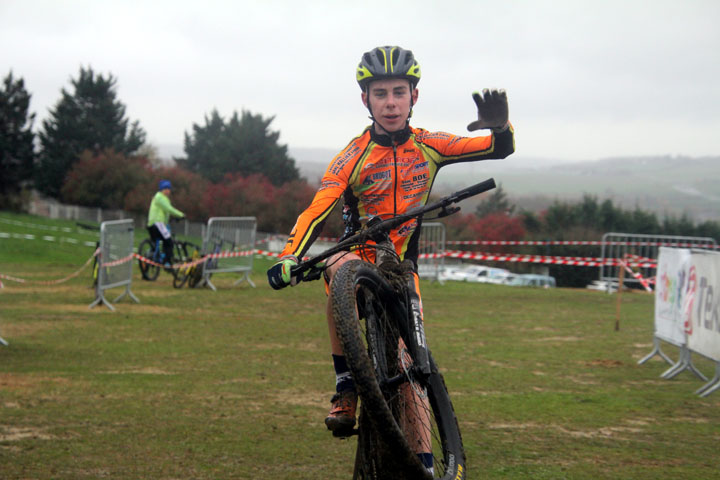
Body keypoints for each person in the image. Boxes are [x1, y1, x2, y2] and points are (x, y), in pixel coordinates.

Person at [267, 45, 514, 472]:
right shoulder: (353, 155)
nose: (391, 102)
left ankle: (425, 465)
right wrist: (290, 255)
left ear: (414, 96)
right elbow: (317, 208)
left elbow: (497, 148)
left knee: (412, 369)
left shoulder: (430, 145)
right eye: (380, 94)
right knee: (339, 270)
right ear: (366, 100)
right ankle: (346, 386)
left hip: (401, 266)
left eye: (400, 91)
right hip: (355, 254)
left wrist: (502, 126)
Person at [147, 179, 185, 268]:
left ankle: (154, 259)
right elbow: (169, 209)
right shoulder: (160, 197)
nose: (168, 191)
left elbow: (165, 212)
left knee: (160, 242)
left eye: (169, 189)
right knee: (169, 242)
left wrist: (171, 219)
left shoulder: (158, 197)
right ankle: (167, 263)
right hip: (158, 223)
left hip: (153, 224)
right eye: (166, 188)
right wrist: (181, 215)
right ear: (161, 189)